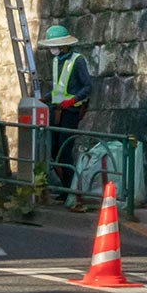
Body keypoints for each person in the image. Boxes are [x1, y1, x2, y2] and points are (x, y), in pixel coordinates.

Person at [38, 24, 91, 202]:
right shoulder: (56, 61)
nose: (53, 49)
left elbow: (87, 87)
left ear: (64, 45)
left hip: (71, 111)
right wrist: (46, 98)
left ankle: (71, 189)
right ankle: (67, 186)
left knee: (64, 148)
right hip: (57, 110)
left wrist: (72, 100)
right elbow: (58, 88)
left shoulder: (78, 61)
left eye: (56, 46)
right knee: (53, 147)